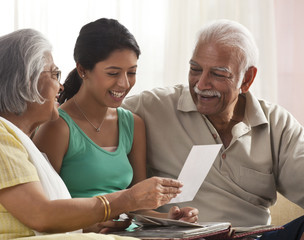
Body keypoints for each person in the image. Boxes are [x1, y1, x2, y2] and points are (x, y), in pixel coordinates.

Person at [0, 28, 185, 240]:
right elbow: (40, 214)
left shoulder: (9, 137)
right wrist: (128, 199)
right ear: (25, 83)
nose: (61, 87)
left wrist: (92, 223)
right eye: (54, 74)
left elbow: (39, 215)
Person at [122, 18, 304, 232]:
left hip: (254, 237)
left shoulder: (277, 123)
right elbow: (92, 115)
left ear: (247, 79)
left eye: (218, 74)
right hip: (181, 237)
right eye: (195, 69)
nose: (201, 84)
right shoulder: (151, 107)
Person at [32, 17, 198, 233]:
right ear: (83, 70)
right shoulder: (57, 127)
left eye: (132, 72)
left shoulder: (133, 124)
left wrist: (171, 218)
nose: (124, 83)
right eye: (113, 73)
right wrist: (85, 227)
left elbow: (137, 206)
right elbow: (42, 211)